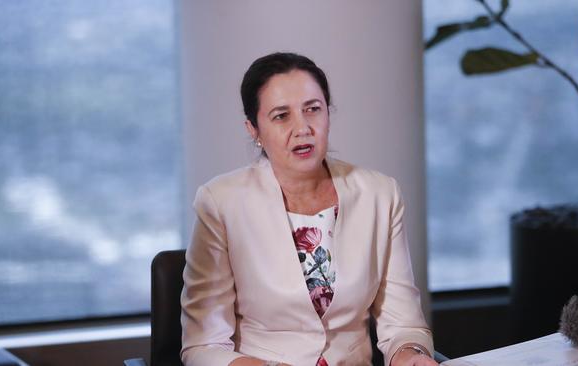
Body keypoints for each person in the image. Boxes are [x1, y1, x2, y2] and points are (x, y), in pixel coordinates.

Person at [180, 52, 437, 366]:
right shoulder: (221, 202)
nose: (303, 128)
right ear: (253, 129)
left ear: (328, 113)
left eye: (313, 110)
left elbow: (402, 323)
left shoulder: (380, 194)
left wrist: (410, 355)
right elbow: (202, 347)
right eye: (281, 116)